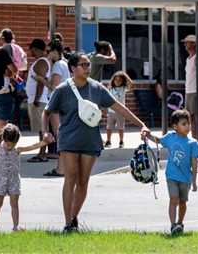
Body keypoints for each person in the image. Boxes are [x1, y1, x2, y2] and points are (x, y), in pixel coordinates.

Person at [42, 51, 150, 232]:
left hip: (90, 141)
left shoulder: (97, 88)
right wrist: (46, 132)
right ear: (72, 69)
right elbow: (46, 112)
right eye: (83, 65)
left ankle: (74, 217)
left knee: (83, 182)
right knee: (70, 178)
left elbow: (118, 107)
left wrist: (142, 125)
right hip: (68, 140)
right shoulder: (62, 90)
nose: (87, 68)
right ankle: (68, 223)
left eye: (88, 65)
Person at [0, 123, 54, 233]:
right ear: (4, 139)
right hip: (1, 179)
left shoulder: (17, 150)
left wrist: (45, 142)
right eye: (7, 144)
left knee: (14, 204)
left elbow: (32, 147)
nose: (9, 147)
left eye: (12, 144)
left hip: (14, 180)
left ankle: (15, 227)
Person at [147, 109, 198, 235]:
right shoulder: (170, 137)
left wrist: (194, 181)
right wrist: (147, 134)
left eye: (188, 123)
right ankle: (172, 225)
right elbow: (158, 140)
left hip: (186, 178)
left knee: (182, 202)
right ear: (175, 126)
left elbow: (194, 163)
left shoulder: (193, 143)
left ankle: (180, 223)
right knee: (173, 199)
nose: (187, 126)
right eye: (184, 124)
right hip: (171, 176)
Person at [34, 37, 70, 176]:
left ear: (55, 51)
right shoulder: (65, 63)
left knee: (59, 134)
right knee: (61, 133)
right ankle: (65, 166)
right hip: (65, 102)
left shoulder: (57, 65)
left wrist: (40, 79)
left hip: (57, 103)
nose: (47, 54)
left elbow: (54, 87)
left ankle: (61, 168)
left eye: (49, 51)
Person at [26, 38, 51, 163]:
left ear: (35, 49)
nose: (29, 51)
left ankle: (42, 154)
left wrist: (36, 98)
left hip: (39, 100)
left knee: (42, 129)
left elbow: (41, 82)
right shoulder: (40, 61)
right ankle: (42, 152)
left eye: (30, 49)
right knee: (41, 129)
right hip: (38, 99)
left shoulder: (41, 62)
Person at [182, 34, 198, 140]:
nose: (185, 44)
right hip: (188, 90)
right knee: (191, 117)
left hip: (196, 91)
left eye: (187, 42)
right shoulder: (188, 58)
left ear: (193, 44)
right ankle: (194, 137)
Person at [104, 71, 133, 149]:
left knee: (120, 127)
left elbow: (131, 84)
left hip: (120, 111)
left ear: (123, 81)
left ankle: (121, 141)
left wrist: (125, 75)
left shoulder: (123, 88)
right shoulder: (110, 88)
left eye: (119, 80)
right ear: (113, 80)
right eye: (116, 80)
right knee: (109, 127)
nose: (117, 81)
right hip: (111, 111)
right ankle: (108, 140)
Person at [0, 28, 27, 94]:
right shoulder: (15, 45)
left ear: (3, 38)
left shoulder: (7, 46)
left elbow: (9, 59)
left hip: (17, 63)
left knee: (5, 68)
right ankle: (22, 84)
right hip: (22, 64)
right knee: (13, 74)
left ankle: (6, 87)